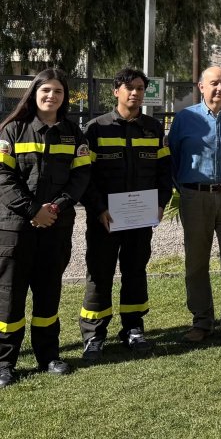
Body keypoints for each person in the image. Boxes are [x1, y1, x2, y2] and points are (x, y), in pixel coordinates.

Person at [0, 68, 91, 387]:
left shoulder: (73, 133)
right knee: (9, 297)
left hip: (56, 224)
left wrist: (57, 207)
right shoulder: (12, 130)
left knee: (48, 293)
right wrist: (33, 210)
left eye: (58, 91)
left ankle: (48, 355)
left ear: (65, 97)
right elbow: (3, 177)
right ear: (34, 93)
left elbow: (81, 176)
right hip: (15, 228)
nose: (52, 96)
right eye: (46, 90)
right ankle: (5, 362)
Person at [79, 68, 173, 362]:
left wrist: (161, 203)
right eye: (129, 88)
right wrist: (99, 209)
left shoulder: (153, 129)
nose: (135, 93)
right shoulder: (95, 129)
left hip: (141, 218)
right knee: (100, 273)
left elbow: (164, 172)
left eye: (140, 88)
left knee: (135, 271)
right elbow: (84, 176)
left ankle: (133, 328)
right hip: (105, 220)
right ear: (115, 91)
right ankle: (94, 335)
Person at [168, 66, 221, 347]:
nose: (220, 88)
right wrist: (187, 188)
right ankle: (201, 322)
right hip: (195, 197)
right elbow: (172, 158)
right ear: (201, 87)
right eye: (214, 83)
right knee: (196, 263)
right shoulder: (185, 118)